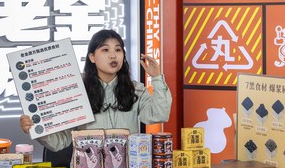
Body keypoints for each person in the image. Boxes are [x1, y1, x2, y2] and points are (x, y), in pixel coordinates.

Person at [20, 29, 172, 159]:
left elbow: (158, 115)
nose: (113, 55)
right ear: (92, 57)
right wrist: (36, 128)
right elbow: (60, 141)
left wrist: (157, 78)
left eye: (118, 50)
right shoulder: (75, 91)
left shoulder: (135, 90)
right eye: (105, 50)